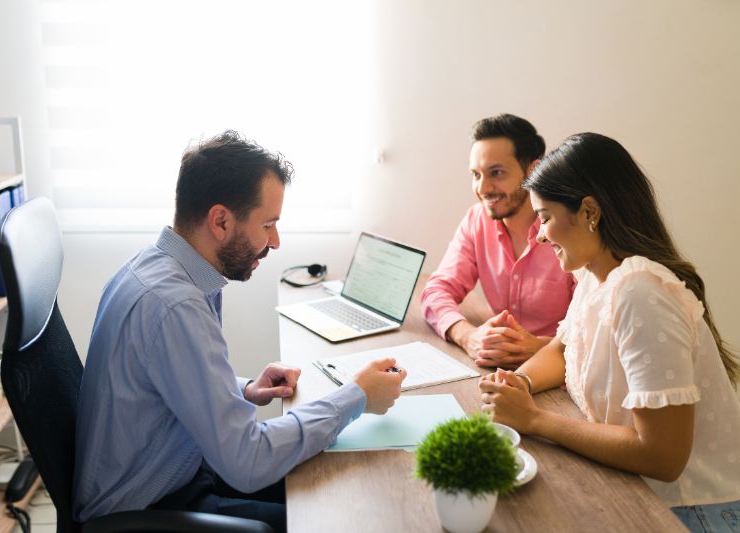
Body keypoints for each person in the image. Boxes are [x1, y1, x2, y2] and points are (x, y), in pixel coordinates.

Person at [73, 131, 406, 532]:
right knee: (333, 517)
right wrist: (357, 396)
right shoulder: (175, 305)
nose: (275, 241)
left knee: (337, 480)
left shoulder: (162, 267)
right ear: (220, 220)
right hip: (147, 505)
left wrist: (242, 389)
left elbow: (161, 378)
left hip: (174, 467)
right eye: (267, 225)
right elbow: (248, 462)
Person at [479, 132, 740, 532]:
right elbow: (561, 351)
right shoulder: (596, 274)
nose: (541, 234)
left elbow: (662, 458)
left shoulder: (641, 294)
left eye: (545, 217)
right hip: (635, 489)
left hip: (692, 511)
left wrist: (534, 420)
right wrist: (518, 384)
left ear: (589, 212)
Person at [421, 113, 575, 369]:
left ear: (533, 170)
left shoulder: (570, 227)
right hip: (498, 369)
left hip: (564, 374)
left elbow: (598, 329)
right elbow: (437, 290)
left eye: (496, 173)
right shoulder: (477, 220)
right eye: (476, 174)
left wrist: (539, 347)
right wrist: (467, 335)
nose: (483, 188)